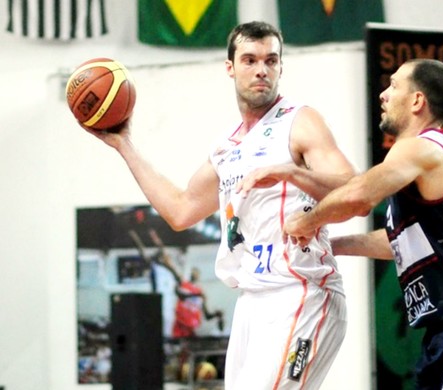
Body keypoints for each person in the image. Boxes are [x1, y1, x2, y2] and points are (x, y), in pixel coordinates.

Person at [82, 21, 354, 390]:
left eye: (271, 60)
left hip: (301, 290)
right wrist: (124, 145)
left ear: (280, 67)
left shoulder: (300, 121)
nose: (262, 69)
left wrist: (290, 172)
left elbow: (353, 192)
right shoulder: (227, 147)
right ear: (230, 67)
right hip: (252, 299)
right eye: (250, 60)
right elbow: (180, 211)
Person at [268, 58, 443, 389]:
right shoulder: (420, 161)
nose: (383, 94)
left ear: (417, 101)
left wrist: (306, 220)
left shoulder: (422, 149)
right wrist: (333, 246)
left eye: (393, 85)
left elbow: (359, 196)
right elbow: (401, 242)